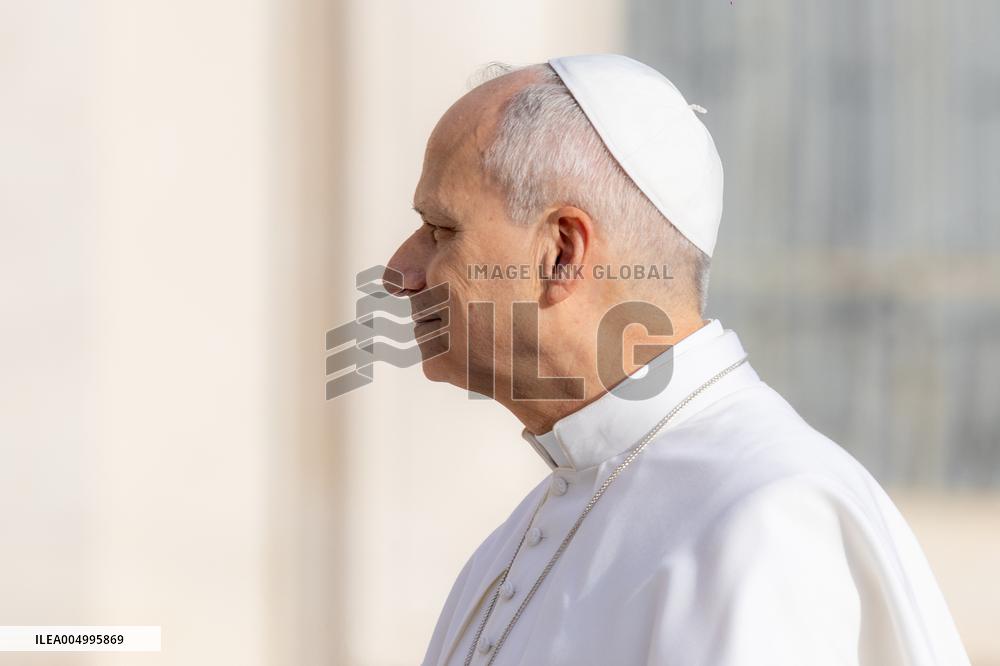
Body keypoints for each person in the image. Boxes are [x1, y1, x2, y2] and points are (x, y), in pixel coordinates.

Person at [384, 54, 970, 666]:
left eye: (439, 230)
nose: (398, 273)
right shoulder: (520, 540)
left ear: (562, 252)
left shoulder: (766, 521)